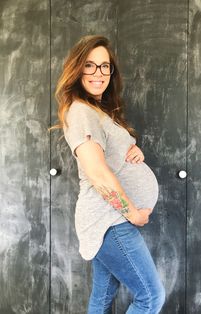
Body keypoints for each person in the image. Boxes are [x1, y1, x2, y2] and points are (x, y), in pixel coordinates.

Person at [52, 35, 165, 314]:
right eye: (89, 65)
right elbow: (97, 172)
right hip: (110, 220)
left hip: (109, 220)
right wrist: (132, 213)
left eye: (105, 66)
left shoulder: (94, 111)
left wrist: (133, 148)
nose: (98, 73)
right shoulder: (81, 112)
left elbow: (110, 158)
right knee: (150, 297)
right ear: (77, 69)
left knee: (102, 297)